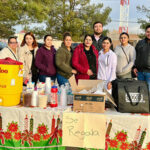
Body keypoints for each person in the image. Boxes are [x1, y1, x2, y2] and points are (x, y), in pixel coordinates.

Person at [134, 24, 150, 91]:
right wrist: (134, 67)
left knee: (148, 92)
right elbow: (135, 55)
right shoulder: (140, 43)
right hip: (140, 72)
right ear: (145, 32)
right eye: (148, 31)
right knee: (141, 93)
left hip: (149, 73)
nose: (149, 33)